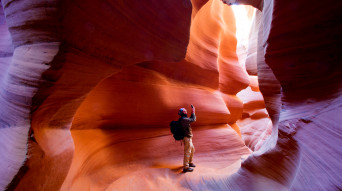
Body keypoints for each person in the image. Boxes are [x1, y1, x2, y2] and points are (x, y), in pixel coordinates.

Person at [178, 104, 196, 172]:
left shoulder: (184, 119)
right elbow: (193, 119)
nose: (186, 112)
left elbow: (190, 119)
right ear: (182, 113)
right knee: (187, 152)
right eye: (185, 111)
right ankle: (186, 167)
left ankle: (189, 162)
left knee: (192, 150)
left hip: (188, 138)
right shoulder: (183, 120)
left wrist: (192, 112)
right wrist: (193, 111)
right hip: (187, 138)